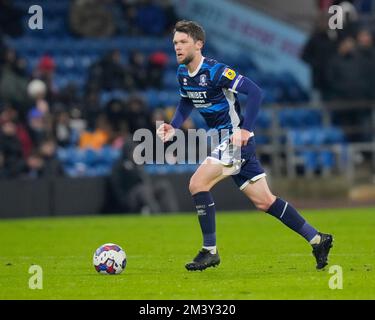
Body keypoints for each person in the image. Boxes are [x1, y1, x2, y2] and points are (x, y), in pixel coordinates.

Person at [157, 20, 333, 271]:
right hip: (223, 142)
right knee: (265, 201)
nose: (177, 47)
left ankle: (210, 251)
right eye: (175, 42)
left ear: (199, 44)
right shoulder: (183, 73)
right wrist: (174, 125)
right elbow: (186, 100)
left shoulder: (216, 71)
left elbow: (256, 92)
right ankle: (318, 239)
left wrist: (245, 129)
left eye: (183, 42)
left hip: (234, 140)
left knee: (197, 183)